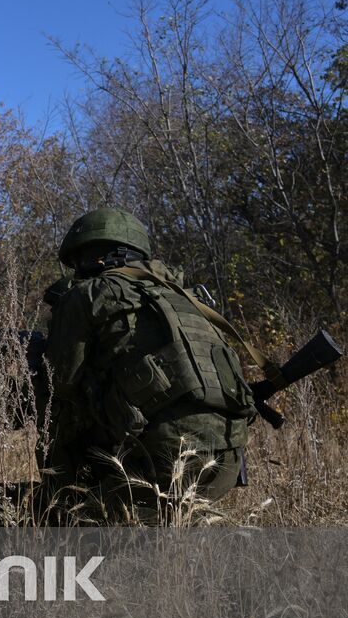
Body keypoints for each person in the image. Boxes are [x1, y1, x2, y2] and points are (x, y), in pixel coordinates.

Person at [40, 207, 255, 522]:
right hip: (228, 462)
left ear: (87, 257)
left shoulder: (87, 295)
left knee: (66, 523)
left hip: (160, 464)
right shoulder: (186, 296)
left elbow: (58, 389)